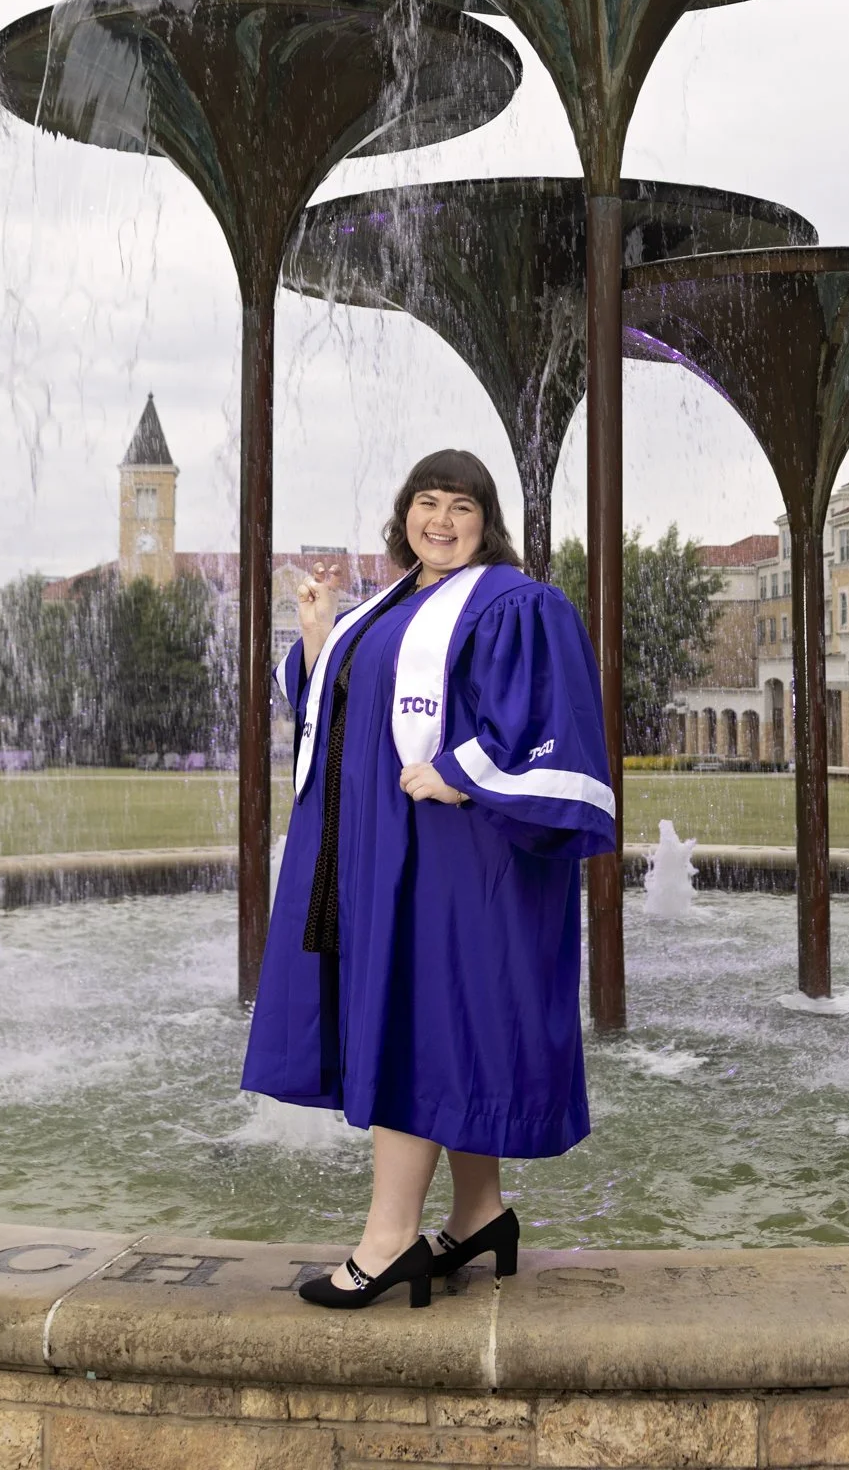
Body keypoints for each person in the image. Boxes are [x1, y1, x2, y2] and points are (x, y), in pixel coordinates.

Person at [242, 449, 615, 1309]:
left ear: (487, 522)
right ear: (402, 513)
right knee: (448, 1026)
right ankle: (479, 1212)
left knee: (418, 1021)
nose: (440, 521)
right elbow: (343, 714)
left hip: (462, 855)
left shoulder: (514, 602)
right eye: (426, 502)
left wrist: (462, 771)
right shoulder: (388, 602)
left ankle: (389, 1239)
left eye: (460, 507)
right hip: (385, 850)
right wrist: (318, 632)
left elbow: (546, 716)